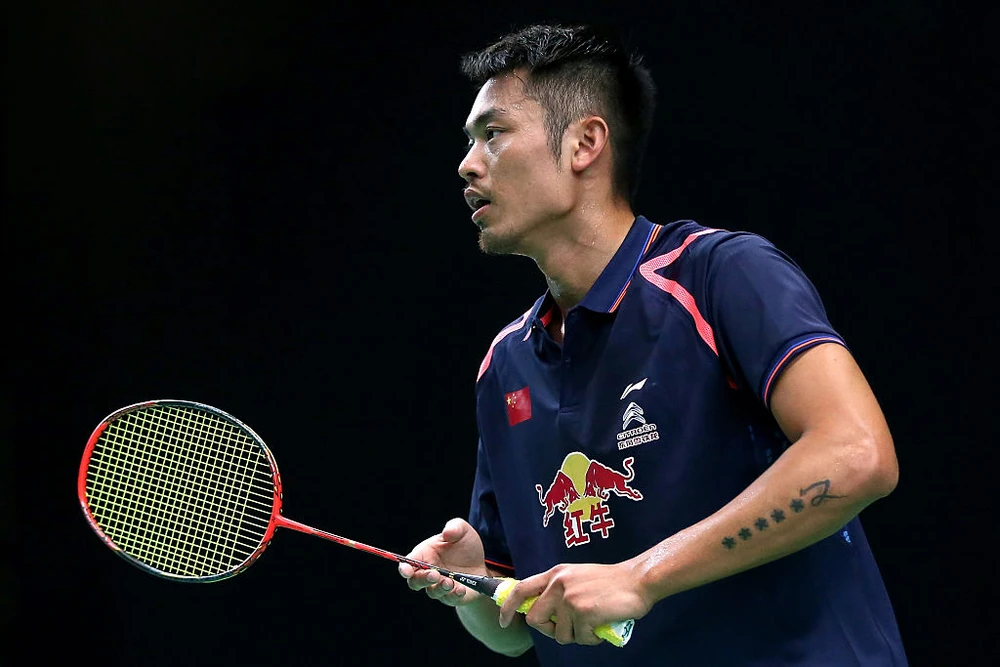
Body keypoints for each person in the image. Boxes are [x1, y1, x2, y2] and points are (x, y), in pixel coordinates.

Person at [398, 23, 907, 666]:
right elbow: (516, 632)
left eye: (493, 134)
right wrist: (477, 585)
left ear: (585, 144)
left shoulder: (719, 275)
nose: (468, 164)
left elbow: (858, 454)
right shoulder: (506, 366)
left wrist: (641, 576)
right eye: (470, 142)